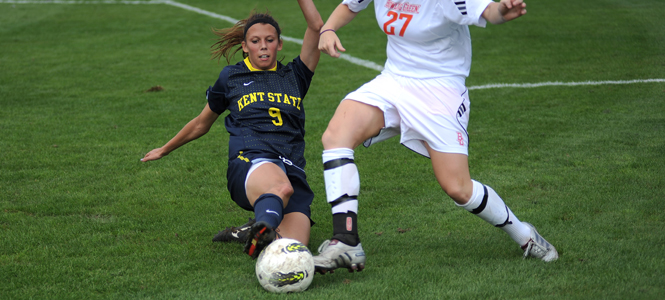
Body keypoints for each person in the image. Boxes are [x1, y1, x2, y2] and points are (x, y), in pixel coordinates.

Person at [312, 0, 558, 273]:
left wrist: (502, 11)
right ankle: (346, 240)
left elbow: (488, 11)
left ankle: (524, 234)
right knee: (336, 135)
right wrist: (329, 29)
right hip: (394, 79)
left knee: (458, 188)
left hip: (440, 89)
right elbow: (351, 5)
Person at [141, 0, 323, 259]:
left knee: (292, 251)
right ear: (245, 47)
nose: (263, 46)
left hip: (291, 167)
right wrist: (165, 149)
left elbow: (316, 26)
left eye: (270, 40)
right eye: (256, 41)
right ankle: (265, 224)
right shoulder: (231, 77)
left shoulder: (296, 75)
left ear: (279, 44)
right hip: (251, 159)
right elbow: (201, 123)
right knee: (280, 189)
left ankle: (251, 232)